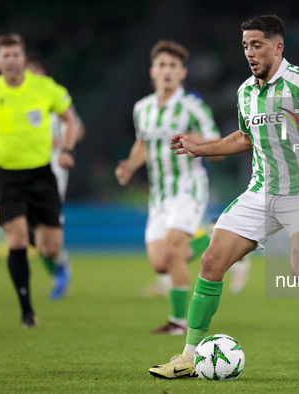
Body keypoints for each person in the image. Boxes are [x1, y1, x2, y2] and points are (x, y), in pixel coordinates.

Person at [148, 14, 299, 378]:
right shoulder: (245, 92)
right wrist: (200, 147)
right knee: (211, 262)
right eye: (245, 46)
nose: (250, 53)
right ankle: (189, 356)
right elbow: (244, 138)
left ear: (277, 46)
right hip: (260, 192)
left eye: (257, 45)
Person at [115, 40, 223, 335]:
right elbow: (143, 144)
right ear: (152, 71)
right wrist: (129, 165)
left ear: (182, 73)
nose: (166, 71)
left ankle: (177, 323)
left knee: (174, 250)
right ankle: (212, 238)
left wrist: (198, 142)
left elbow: (220, 147)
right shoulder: (143, 109)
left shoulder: (193, 107)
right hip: (160, 195)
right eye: (161, 65)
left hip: (188, 188)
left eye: (173, 66)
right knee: (161, 263)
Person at [0, 34, 80, 328]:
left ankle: (56, 260)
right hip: (7, 177)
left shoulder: (45, 88)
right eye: (5, 56)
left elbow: (71, 119)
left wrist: (67, 150)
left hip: (42, 175)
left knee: (50, 248)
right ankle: (26, 312)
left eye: (15, 55)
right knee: (17, 240)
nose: (11, 60)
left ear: (23, 59)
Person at [26, 53, 86, 300]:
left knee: (43, 227)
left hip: (52, 173)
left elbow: (78, 129)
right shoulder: (20, 105)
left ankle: (59, 272)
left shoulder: (55, 100)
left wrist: (62, 144)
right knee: (31, 233)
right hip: (23, 173)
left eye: (34, 72)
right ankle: (59, 263)